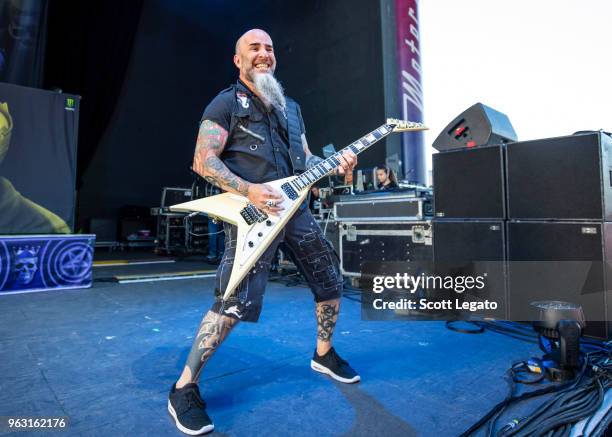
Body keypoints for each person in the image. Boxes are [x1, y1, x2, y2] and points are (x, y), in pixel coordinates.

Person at [168, 29, 359, 435]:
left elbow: (305, 158)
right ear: (238, 60)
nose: (263, 54)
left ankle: (323, 354)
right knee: (232, 303)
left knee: (330, 282)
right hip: (253, 215)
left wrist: (334, 162)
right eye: (253, 48)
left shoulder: (291, 108)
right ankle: (184, 387)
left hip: (297, 212)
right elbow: (204, 161)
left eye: (269, 48)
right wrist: (250, 190)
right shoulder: (225, 104)